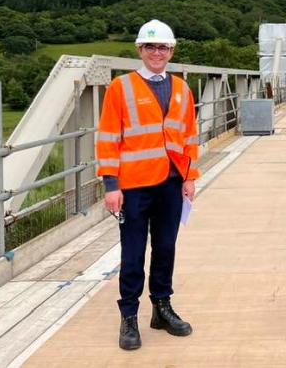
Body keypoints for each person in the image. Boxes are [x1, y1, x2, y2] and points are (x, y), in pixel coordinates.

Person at [96, 19, 200, 351]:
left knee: (166, 249)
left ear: (172, 51)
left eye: (163, 47)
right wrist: (111, 184)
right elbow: (108, 137)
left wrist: (190, 178)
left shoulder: (183, 89)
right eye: (151, 47)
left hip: (171, 186)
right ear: (140, 50)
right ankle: (129, 316)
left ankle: (161, 308)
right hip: (134, 187)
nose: (157, 52)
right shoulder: (120, 87)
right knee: (133, 253)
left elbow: (190, 138)